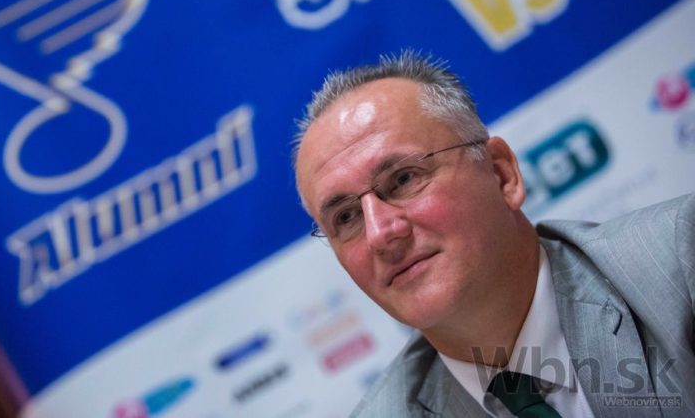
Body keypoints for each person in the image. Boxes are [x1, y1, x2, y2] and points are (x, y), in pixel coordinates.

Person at [293, 50, 695, 417]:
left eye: (403, 179)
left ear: (502, 174)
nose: (380, 233)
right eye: (346, 217)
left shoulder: (680, 258)